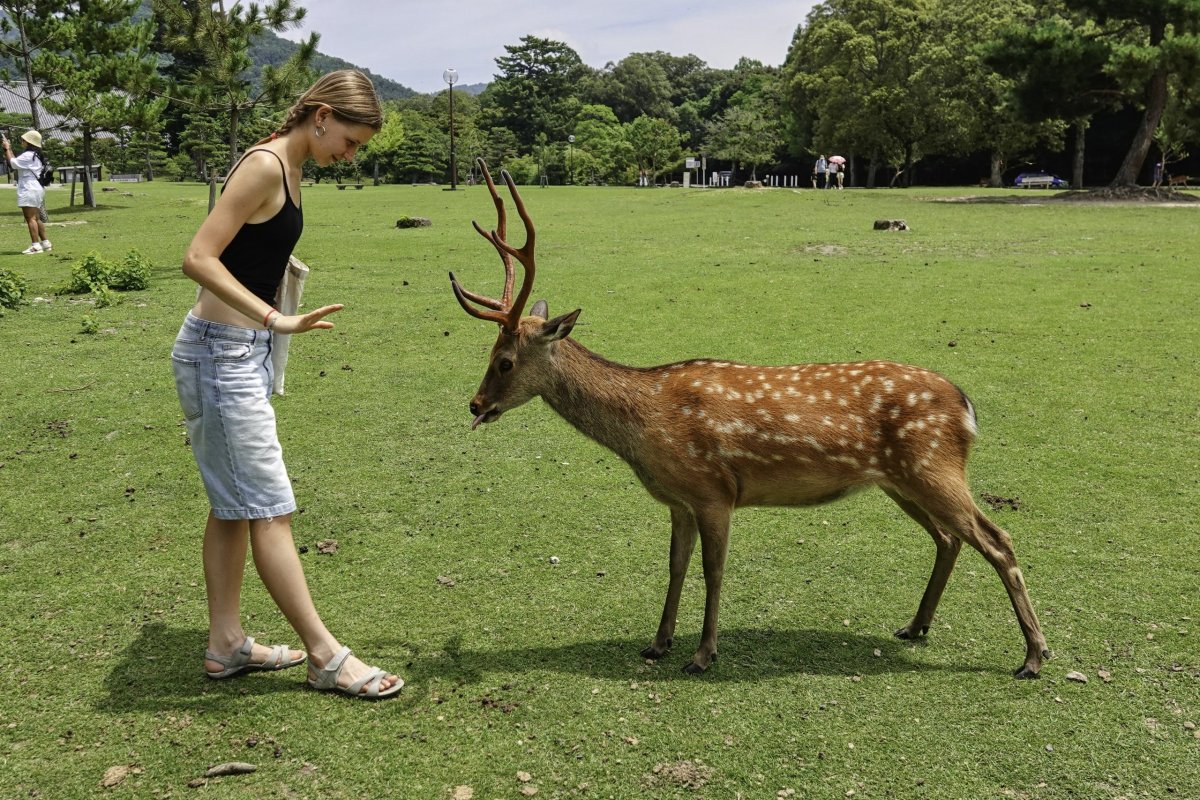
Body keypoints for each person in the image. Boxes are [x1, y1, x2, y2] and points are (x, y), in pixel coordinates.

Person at [171, 70, 402, 699]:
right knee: (271, 509)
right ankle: (326, 656)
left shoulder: (289, 166)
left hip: (236, 353)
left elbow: (251, 251)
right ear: (321, 115)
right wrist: (275, 317)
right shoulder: (267, 166)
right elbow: (198, 255)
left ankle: (225, 645)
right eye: (350, 141)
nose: (350, 156)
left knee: (234, 507)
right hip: (221, 357)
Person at [3, 130, 51, 254]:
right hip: (36, 188)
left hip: (28, 188)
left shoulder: (28, 155)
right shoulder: (34, 155)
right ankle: (45, 243)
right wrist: (9, 149)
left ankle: (35, 246)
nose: (22, 141)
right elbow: (15, 161)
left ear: (28, 142)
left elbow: (12, 164)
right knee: (36, 218)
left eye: (24, 140)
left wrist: (6, 149)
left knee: (30, 218)